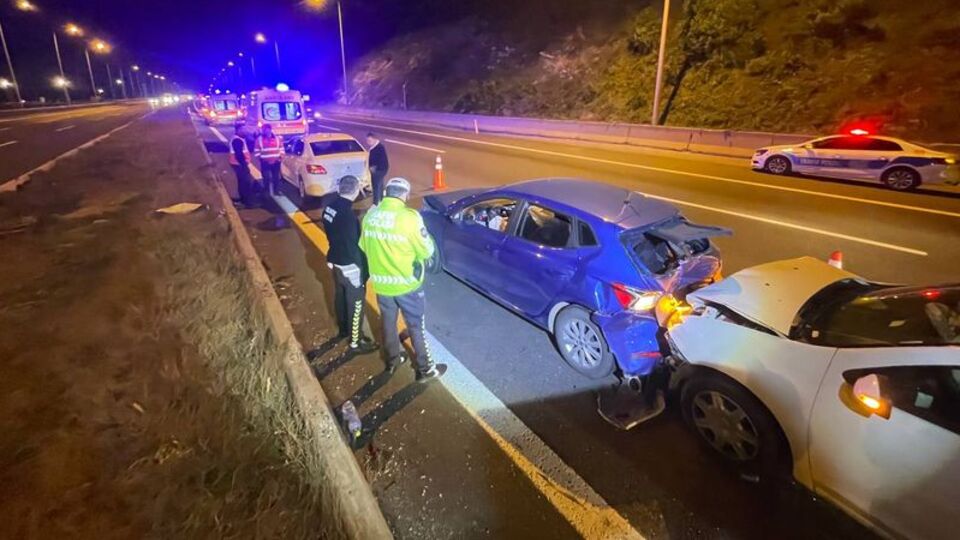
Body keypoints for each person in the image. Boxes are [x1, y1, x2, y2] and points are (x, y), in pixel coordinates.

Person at [359, 177, 446, 382]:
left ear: (387, 192)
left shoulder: (370, 216)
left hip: (381, 284)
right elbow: (426, 251)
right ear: (404, 195)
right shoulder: (410, 218)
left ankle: (392, 360)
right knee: (416, 326)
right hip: (407, 285)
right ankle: (426, 369)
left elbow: (363, 246)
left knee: (388, 323)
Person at [321, 175, 378, 355]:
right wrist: (361, 269)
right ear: (355, 191)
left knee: (340, 296)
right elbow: (353, 244)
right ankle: (355, 341)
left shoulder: (329, 208)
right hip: (349, 264)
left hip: (334, 259)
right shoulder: (347, 216)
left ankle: (344, 329)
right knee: (356, 302)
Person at [229, 122, 256, 207]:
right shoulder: (237, 140)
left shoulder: (239, 139)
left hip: (238, 164)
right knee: (245, 183)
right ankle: (247, 203)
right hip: (239, 165)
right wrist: (244, 165)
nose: (245, 131)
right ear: (238, 130)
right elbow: (239, 154)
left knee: (242, 183)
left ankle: (243, 200)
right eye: (243, 130)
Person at [255, 123, 284, 196]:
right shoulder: (259, 140)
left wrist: (280, 158)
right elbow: (256, 151)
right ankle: (266, 192)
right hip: (265, 162)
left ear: (270, 130)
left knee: (276, 178)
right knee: (266, 178)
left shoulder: (277, 139)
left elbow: (281, 149)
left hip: (276, 162)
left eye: (268, 130)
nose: (266, 132)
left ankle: (276, 191)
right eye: (264, 130)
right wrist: (261, 159)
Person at [366, 132, 389, 205]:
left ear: (375, 139)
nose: (368, 143)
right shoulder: (375, 147)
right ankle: (381, 200)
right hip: (380, 169)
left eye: (370, 141)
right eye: (367, 141)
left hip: (379, 170)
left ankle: (375, 203)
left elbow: (381, 160)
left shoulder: (379, 148)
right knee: (380, 184)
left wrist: (374, 168)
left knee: (376, 186)